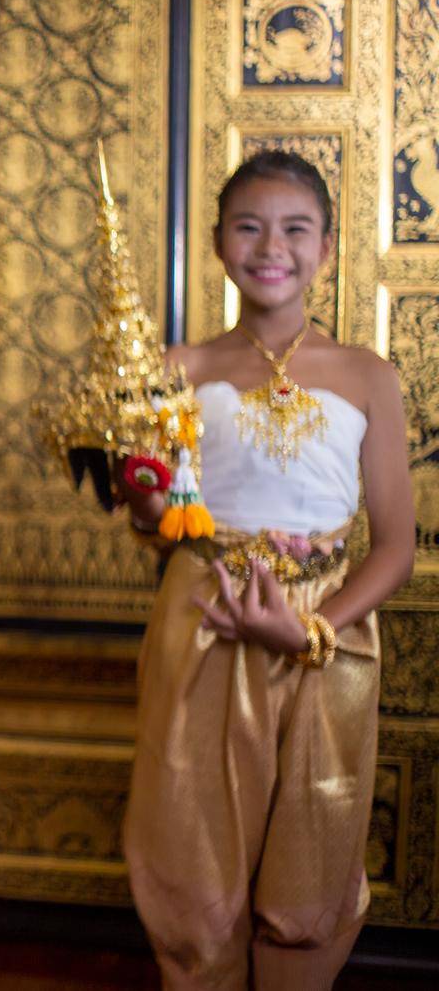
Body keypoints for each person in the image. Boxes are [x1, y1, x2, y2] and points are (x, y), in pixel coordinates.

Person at [119, 151, 415, 989]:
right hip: (204, 617)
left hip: (325, 633)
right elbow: (163, 519)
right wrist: (139, 491)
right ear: (217, 242)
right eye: (249, 226)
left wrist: (313, 626)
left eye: (295, 229)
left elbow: (395, 543)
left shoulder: (368, 375)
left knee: (311, 851)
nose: (271, 245)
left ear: (326, 248)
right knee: (191, 845)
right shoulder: (178, 369)